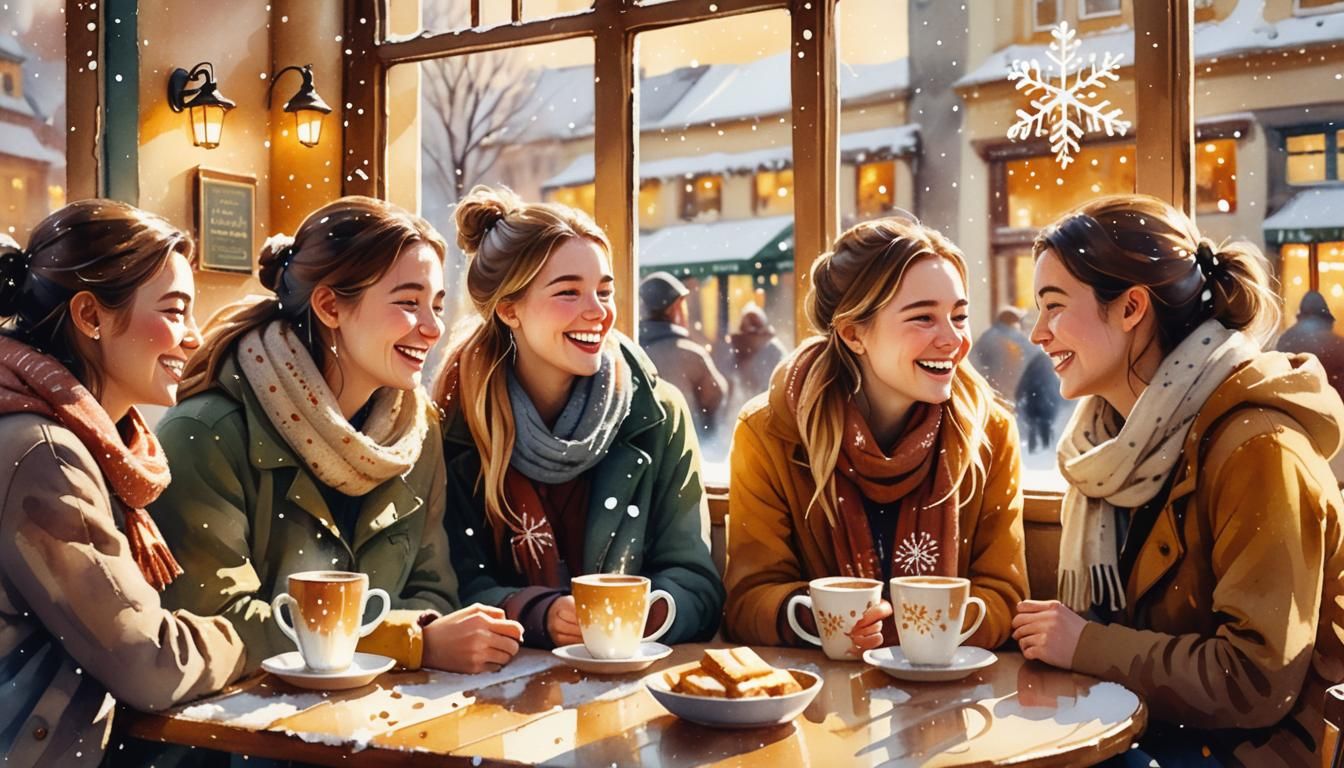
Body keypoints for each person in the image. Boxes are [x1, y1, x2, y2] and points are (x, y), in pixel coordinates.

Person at [1013, 195, 1344, 766]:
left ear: (1132, 307)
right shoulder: (1109, 448)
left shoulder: (1260, 448)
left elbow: (1255, 681)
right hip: (1154, 731)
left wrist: (1083, 645)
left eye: (1054, 306)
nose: (1038, 332)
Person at [153, 196, 523, 675]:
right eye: (408, 303)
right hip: (236, 736)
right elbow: (216, 625)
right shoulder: (204, 435)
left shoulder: (417, 433)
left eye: (436, 305)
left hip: (383, 718)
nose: (432, 328)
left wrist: (414, 637)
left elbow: (434, 590)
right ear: (329, 305)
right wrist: (408, 642)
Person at [0, 201, 246, 767]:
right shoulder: (47, 454)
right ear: (90, 316)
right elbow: (148, 662)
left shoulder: (77, 442)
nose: (193, 337)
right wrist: (248, 641)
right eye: (176, 310)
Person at [435, 186, 723, 650]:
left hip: (628, 682)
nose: (598, 312)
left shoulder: (657, 414)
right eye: (569, 292)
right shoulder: (456, 423)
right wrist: (540, 613)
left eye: (604, 291)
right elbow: (450, 586)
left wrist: (643, 612)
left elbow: (697, 583)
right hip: (499, 691)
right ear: (510, 309)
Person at [724, 215, 1028, 653]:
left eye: (959, 317)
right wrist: (825, 618)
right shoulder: (770, 431)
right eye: (923, 318)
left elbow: (1005, 593)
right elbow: (748, 601)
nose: (954, 340)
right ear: (853, 334)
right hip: (824, 700)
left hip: (947, 693)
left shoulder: (990, 432)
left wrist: (919, 628)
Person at [638, 271, 728, 438]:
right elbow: (715, 398)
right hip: (686, 449)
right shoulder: (691, 355)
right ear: (674, 307)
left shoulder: (629, 351)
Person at [729, 302, 788, 401]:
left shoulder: (774, 350)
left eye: (755, 324)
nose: (751, 329)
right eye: (747, 325)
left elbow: (783, 379)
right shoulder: (735, 349)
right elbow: (730, 380)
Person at [970, 305, 1032, 398]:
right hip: (1001, 389)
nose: (1020, 325)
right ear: (1012, 321)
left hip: (988, 389)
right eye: (1018, 321)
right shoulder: (1010, 336)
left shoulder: (987, 335)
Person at [1015, 348, 1064, 452]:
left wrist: (1019, 394)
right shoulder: (1050, 367)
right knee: (1043, 427)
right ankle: (1043, 452)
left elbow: (1024, 381)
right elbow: (1057, 385)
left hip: (1035, 402)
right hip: (1044, 404)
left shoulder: (1034, 365)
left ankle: (1035, 451)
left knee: (1034, 428)